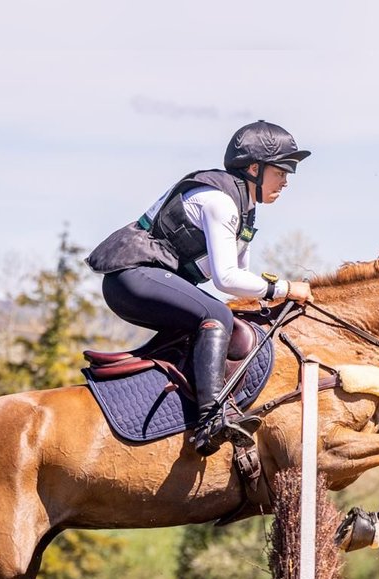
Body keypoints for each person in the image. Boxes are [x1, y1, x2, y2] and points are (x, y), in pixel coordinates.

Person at [86, 120, 314, 456]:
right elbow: (226, 279)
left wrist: (272, 297)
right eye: (282, 170)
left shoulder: (245, 209)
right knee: (215, 315)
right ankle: (211, 418)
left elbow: (240, 278)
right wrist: (284, 287)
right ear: (254, 168)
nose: (286, 180)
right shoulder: (220, 203)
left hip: (150, 278)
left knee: (219, 318)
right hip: (130, 277)